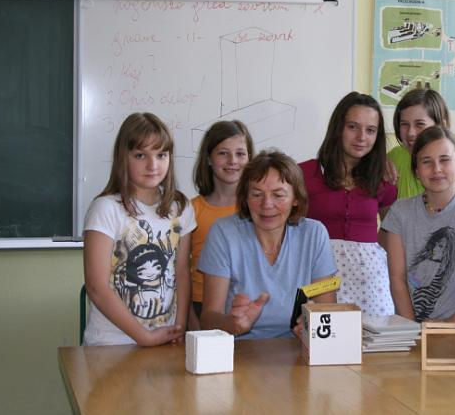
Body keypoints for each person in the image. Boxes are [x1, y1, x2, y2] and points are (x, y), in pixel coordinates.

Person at [83, 112, 195, 346]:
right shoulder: (106, 209)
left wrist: (179, 327)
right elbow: (96, 287)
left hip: (165, 338)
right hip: (111, 344)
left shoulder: (181, 207)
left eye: (161, 155)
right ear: (123, 158)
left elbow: (182, 272)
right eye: (140, 155)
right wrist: (144, 337)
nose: (153, 165)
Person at [198, 150, 338, 339]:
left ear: (296, 199)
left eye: (278, 195)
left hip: (297, 348)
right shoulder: (223, 233)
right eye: (256, 194)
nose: (267, 204)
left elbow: (327, 310)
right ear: (245, 198)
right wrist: (233, 324)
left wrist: (312, 325)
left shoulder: (314, 234)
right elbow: (208, 319)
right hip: (238, 349)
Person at [381, 126, 455, 327]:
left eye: (444, 160)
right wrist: (413, 329)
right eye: (426, 162)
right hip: (411, 327)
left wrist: (452, 324)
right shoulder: (400, 212)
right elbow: (397, 279)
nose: (437, 169)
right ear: (416, 171)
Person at [300, 92, 397, 316]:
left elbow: (390, 233)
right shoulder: (305, 174)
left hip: (371, 283)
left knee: (377, 335)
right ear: (338, 128)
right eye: (353, 127)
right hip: (319, 277)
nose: (362, 137)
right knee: (323, 332)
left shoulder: (382, 179)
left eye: (370, 130)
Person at [189, 120, 254, 329]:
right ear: (208, 158)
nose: (232, 161)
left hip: (245, 306)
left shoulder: (259, 209)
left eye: (240, 153)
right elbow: (179, 271)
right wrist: (191, 320)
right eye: (223, 153)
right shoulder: (191, 210)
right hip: (201, 306)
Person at [387, 89, 455, 204]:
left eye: (420, 124)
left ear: (441, 126)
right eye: (404, 124)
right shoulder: (393, 158)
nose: (410, 133)